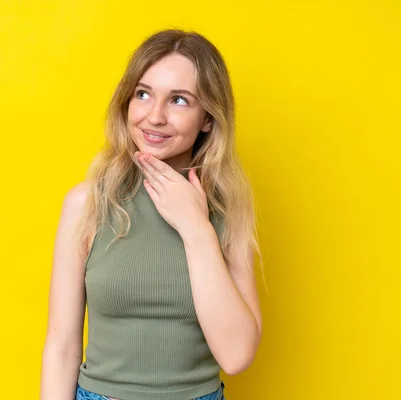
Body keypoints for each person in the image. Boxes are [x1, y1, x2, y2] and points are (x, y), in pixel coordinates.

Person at [40, 29, 264, 400]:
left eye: (178, 100)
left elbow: (237, 355)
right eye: (143, 94)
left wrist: (196, 227)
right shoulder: (87, 204)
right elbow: (61, 345)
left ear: (208, 118)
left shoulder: (227, 209)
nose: (154, 116)